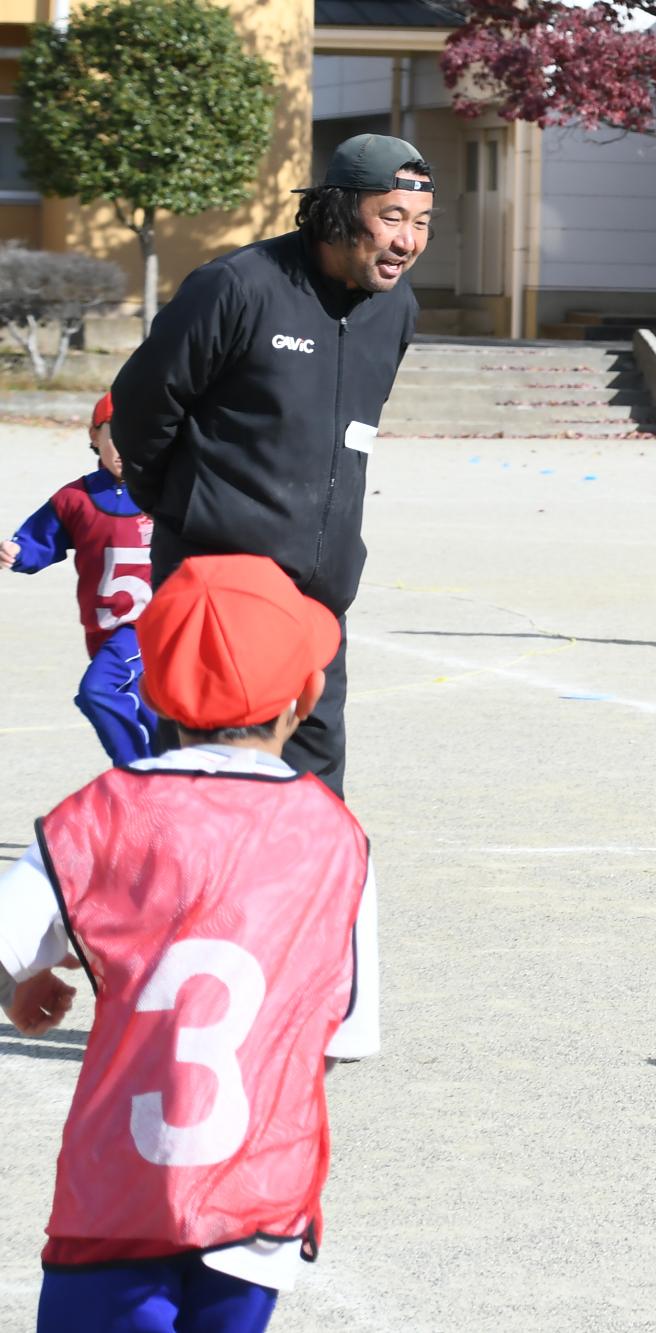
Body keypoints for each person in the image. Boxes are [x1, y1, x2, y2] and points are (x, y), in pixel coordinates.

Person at [0, 553, 380, 1333]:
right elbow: (340, 1038)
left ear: (151, 690)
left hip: (115, 1198)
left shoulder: (98, 810)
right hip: (257, 1193)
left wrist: (18, 986)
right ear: (305, 695)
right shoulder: (337, 838)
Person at [111, 133, 433, 798]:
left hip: (319, 597)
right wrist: (182, 510)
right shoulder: (236, 287)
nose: (408, 241)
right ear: (340, 213)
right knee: (207, 789)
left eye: (422, 222)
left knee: (314, 794)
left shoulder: (395, 308)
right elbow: (142, 408)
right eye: (392, 217)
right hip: (221, 584)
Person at [1, 392, 158, 766]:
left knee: (100, 691)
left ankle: (142, 777)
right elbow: (40, 540)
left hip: (149, 626)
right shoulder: (76, 498)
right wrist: (18, 552)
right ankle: (172, 787)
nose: (127, 445)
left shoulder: (169, 492)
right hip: (104, 632)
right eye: (116, 434)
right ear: (94, 436)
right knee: (151, 712)